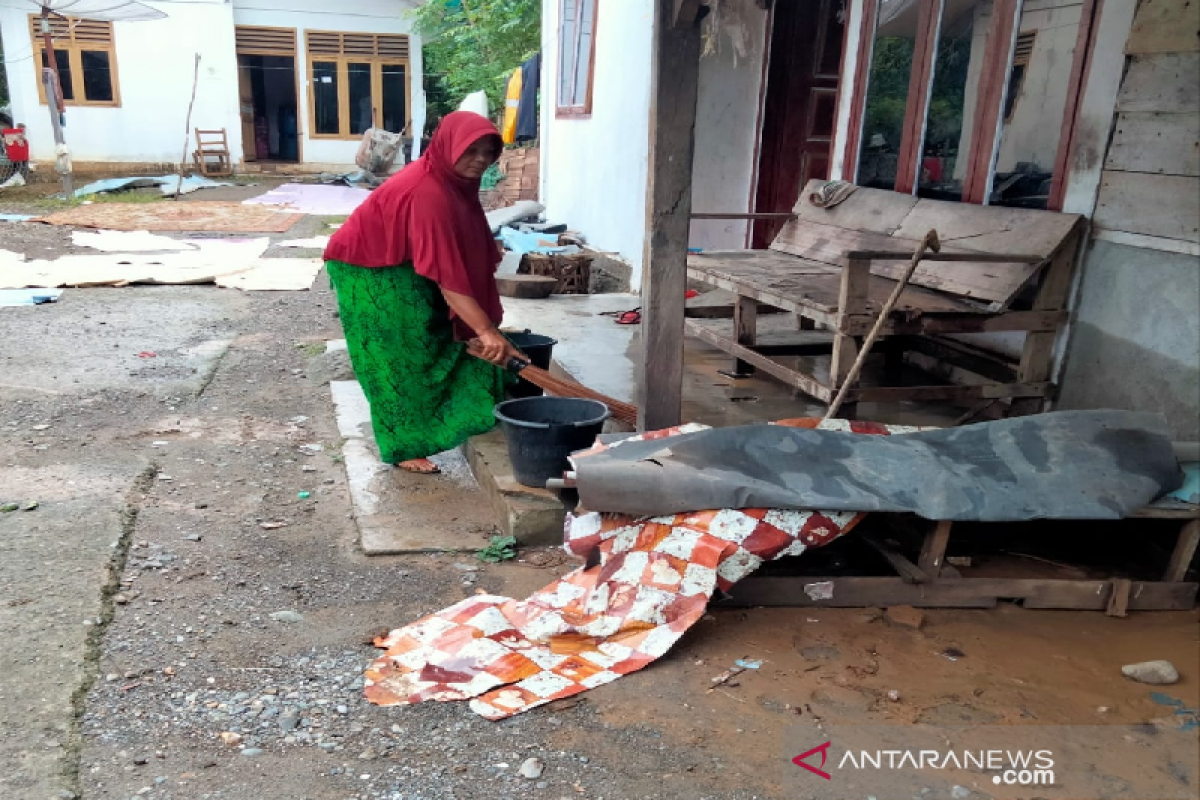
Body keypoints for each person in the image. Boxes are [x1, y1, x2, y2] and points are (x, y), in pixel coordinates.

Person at [323, 111, 525, 475]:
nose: (480, 159)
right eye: (470, 150)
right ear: (447, 147)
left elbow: (462, 246)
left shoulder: (454, 182)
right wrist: (486, 331)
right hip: (370, 268)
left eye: (488, 151)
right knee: (401, 354)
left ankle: (458, 413)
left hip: (404, 258)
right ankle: (404, 444)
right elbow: (449, 278)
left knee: (440, 334)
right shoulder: (429, 192)